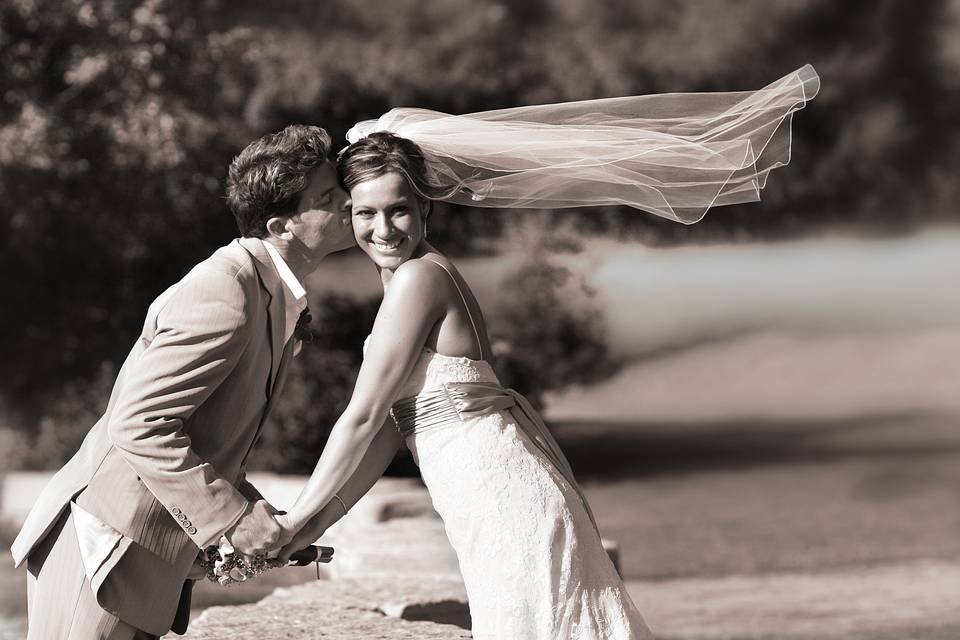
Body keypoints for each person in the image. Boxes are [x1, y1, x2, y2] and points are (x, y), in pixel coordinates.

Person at [274, 132, 655, 639]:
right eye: (366, 213)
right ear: (348, 213)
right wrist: (316, 525)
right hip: (487, 504)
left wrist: (290, 517)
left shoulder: (418, 279)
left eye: (399, 210)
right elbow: (391, 429)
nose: (383, 229)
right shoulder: (408, 278)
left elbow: (362, 417)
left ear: (426, 208)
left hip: (506, 502)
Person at [10, 124, 355, 640]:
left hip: (141, 559)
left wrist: (262, 521)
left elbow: (209, 436)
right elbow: (140, 423)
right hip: (103, 548)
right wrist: (234, 521)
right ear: (283, 225)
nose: (349, 202)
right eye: (329, 196)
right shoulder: (227, 288)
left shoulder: (270, 294)